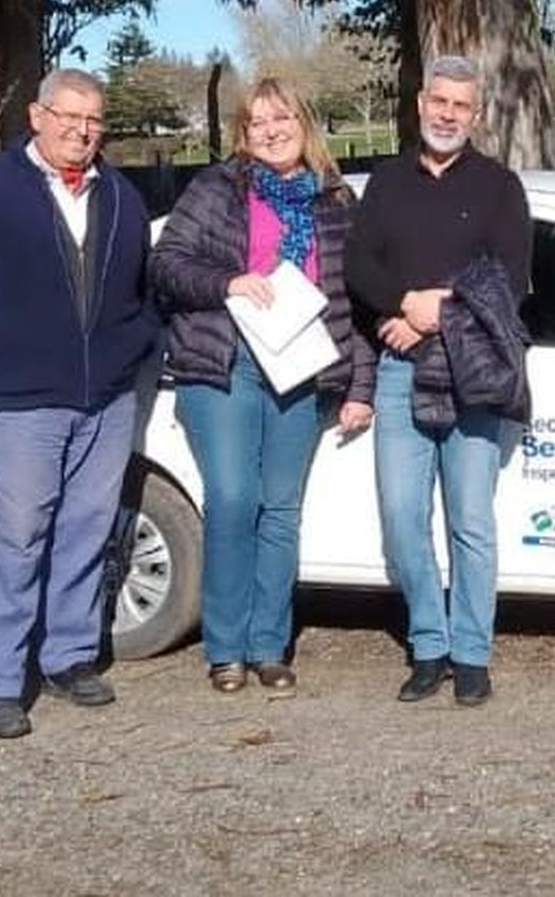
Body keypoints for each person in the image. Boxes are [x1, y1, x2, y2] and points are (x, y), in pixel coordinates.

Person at [0, 68, 157, 739]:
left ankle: (69, 655)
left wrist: (134, 345)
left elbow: (142, 287)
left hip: (103, 399)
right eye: (69, 116)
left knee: (86, 530)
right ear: (37, 115)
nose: (82, 131)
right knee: (12, 540)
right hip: (15, 402)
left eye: (94, 120)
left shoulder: (122, 197)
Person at [150, 77, 376, 696]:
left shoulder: (333, 200)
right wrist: (228, 281)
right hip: (225, 362)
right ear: (243, 134)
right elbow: (166, 263)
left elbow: (352, 302)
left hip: (302, 369)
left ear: (304, 124)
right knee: (231, 498)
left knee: (280, 510)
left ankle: (269, 644)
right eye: (258, 122)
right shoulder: (217, 188)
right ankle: (225, 647)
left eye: (282, 118)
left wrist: (361, 383)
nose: (272, 130)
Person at [345, 55, 531, 707]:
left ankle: (472, 651)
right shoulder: (387, 182)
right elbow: (358, 265)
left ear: (475, 113)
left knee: (470, 521)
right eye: (439, 101)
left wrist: (435, 312)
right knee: (401, 516)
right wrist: (403, 304)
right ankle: (429, 643)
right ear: (421, 103)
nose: (448, 113)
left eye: (462, 104)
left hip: (473, 370)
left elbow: (509, 277)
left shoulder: (500, 186)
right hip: (399, 369)